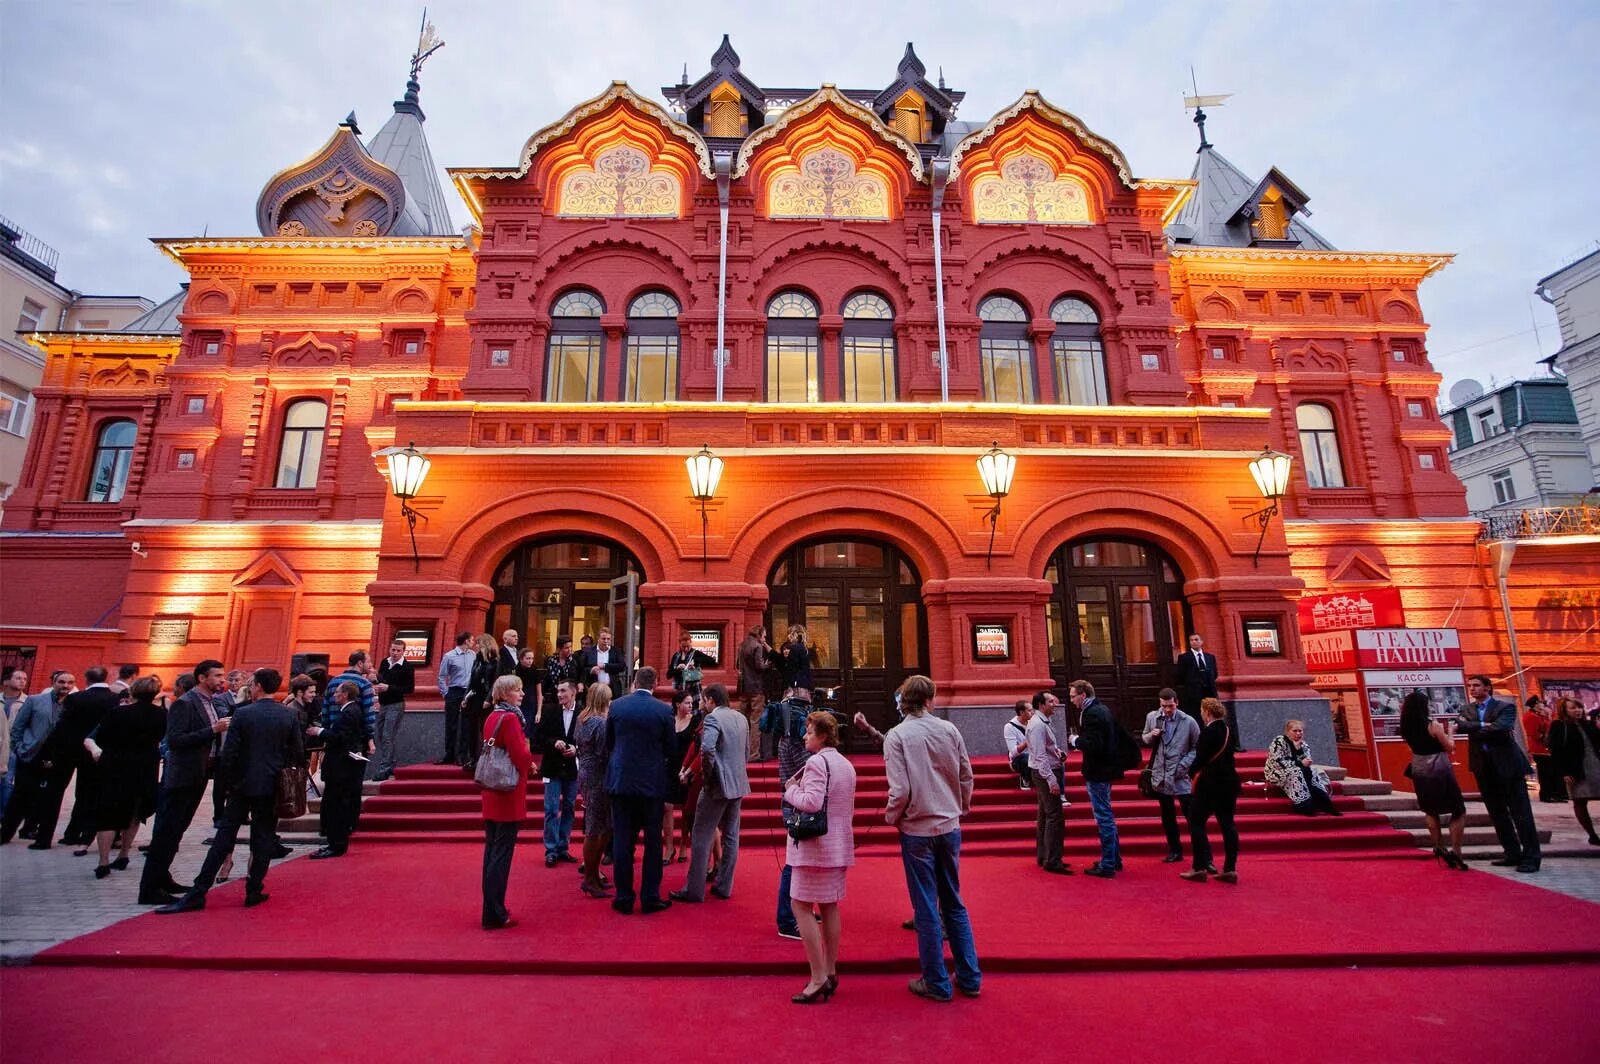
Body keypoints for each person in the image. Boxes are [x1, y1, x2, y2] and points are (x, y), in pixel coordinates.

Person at [158, 668, 302, 912]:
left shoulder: (242, 714)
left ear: (256, 686)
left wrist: (229, 785)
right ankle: (254, 889)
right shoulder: (288, 715)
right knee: (263, 838)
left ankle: (199, 891)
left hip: (242, 786)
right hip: (272, 786)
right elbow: (296, 753)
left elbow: (230, 754)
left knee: (224, 838)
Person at [884, 675, 980, 1003]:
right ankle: (969, 976)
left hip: (918, 830)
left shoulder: (897, 736)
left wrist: (892, 817)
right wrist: (959, 807)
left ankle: (936, 982)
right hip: (949, 825)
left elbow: (900, 791)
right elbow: (966, 774)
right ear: (930, 699)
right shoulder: (949, 729)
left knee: (926, 905)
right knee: (953, 901)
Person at [137, 661, 229, 904]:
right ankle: (149, 888)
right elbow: (176, 740)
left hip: (197, 774)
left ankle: (162, 877)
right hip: (181, 776)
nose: (222, 680)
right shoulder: (185, 703)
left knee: (177, 830)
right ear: (201, 678)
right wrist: (213, 729)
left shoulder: (209, 702)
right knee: (167, 832)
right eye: (217, 676)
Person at [784, 711, 857, 1004]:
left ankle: (817, 978)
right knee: (829, 906)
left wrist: (791, 791)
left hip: (814, 847)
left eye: (810, 732)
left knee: (800, 905)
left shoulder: (816, 763)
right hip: (838, 845)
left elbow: (812, 803)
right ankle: (830, 969)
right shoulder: (846, 764)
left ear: (824, 735)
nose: (805, 736)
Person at [604, 666, 675, 915]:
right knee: (653, 843)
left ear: (634, 682)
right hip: (652, 785)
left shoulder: (617, 706)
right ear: (655, 684)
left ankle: (623, 898)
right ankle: (650, 897)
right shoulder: (664, 710)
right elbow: (671, 749)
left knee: (623, 841)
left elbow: (609, 742)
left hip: (621, 782)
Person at [672, 683, 749, 903]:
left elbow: (707, 749)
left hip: (716, 786)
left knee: (701, 834)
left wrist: (707, 776)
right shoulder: (741, 718)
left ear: (712, 700)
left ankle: (694, 889)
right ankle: (724, 886)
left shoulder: (713, 719)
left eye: (704, 700)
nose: (702, 703)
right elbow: (745, 754)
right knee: (731, 837)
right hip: (737, 785)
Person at [84, 674, 166, 878]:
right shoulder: (161, 714)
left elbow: (101, 738)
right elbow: (162, 737)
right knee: (135, 812)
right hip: (145, 765)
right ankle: (124, 854)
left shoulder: (117, 713)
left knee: (109, 814)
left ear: (133, 691)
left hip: (116, 764)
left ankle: (103, 862)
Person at [1460, 674, 1540, 873]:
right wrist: (1484, 726)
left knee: (1520, 813)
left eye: (1477, 685)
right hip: (1483, 767)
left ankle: (1531, 857)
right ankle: (1511, 853)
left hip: (1508, 765)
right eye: (1470, 686)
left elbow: (1502, 727)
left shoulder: (1504, 707)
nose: (1472, 689)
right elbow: (1462, 726)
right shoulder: (1466, 709)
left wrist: (1478, 727)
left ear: (1487, 687)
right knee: (1497, 813)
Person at [479, 674, 534, 930]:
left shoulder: (492, 716)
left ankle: (490, 909)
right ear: (505, 693)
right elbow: (519, 754)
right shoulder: (511, 718)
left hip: (492, 793)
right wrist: (529, 758)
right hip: (508, 794)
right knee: (501, 855)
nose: (522, 694)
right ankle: (495, 912)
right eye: (518, 690)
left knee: (491, 853)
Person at [43, 665, 118, 848]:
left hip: (68, 751)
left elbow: (61, 727)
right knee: (87, 794)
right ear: (106, 678)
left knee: (55, 792)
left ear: (86, 679)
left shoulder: (76, 698)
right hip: (95, 752)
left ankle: (44, 838)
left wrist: (48, 751)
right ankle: (77, 833)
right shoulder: (114, 699)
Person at [1399, 691, 1468, 869]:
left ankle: (1438, 846)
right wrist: (1451, 731)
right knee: (1458, 809)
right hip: (1439, 769)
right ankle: (1457, 852)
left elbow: (1411, 748)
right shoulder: (1433, 725)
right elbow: (1449, 747)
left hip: (1420, 769)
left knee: (1430, 810)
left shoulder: (1405, 727)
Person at [1067, 678, 1128, 877]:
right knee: (1106, 814)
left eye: (1073, 696)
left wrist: (1076, 741)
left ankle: (1108, 863)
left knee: (1103, 816)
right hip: (1106, 769)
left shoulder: (1092, 713)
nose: (1071, 700)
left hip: (1098, 771)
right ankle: (1114, 858)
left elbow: (1094, 744)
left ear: (1083, 695)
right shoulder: (1102, 709)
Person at [2, 671, 71, 846]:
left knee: (51, 800)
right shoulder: (35, 700)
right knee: (20, 796)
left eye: (70, 683)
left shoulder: (74, 705)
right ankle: (5, 834)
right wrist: (19, 749)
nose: (65, 686)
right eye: (61, 682)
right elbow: (18, 727)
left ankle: (44, 839)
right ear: (54, 683)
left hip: (58, 758)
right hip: (31, 754)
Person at [770, 686, 817, 937]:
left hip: (796, 801)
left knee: (806, 860)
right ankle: (787, 918)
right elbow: (807, 767)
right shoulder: (794, 738)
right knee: (794, 863)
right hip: (797, 804)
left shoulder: (788, 735)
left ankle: (804, 908)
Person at [1182, 697, 1240, 882]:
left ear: (1207, 713)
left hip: (1209, 784)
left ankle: (1199, 867)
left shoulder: (1207, 733)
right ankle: (1230, 868)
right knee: (1228, 825)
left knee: (1196, 822)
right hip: (1229, 783)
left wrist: (1191, 772)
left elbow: (1200, 759)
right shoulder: (1229, 730)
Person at [309, 681, 367, 859]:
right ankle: (335, 843)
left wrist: (319, 732)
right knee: (337, 806)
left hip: (341, 768)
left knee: (336, 807)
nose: (334, 695)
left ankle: (336, 845)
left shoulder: (349, 713)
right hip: (344, 766)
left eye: (337, 693)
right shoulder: (354, 710)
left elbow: (340, 738)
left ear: (345, 694)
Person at [1142, 687, 1201, 863]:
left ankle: (1200, 852)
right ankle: (1175, 850)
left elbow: (1197, 747)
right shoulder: (1152, 717)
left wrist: (1184, 765)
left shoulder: (1188, 721)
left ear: (1177, 703)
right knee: (1167, 816)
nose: (1167, 710)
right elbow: (1144, 738)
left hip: (1180, 775)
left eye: (1170, 706)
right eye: (1164, 706)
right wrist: (1151, 735)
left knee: (1191, 814)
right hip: (1160, 774)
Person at [575, 682, 615, 898]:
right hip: (598, 775)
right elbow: (604, 752)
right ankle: (590, 877)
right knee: (597, 826)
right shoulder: (600, 723)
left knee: (598, 824)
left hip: (586, 772)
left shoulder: (582, 718)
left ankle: (593, 874)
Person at [537, 679, 582, 868]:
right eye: (558, 691)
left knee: (570, 808)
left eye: (563, 691)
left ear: (573, 693)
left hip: (572, 768)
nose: (559, 694)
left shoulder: (582, 714)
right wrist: (554, 742)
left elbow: (587, 738)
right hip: (552, 766)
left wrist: (576, 748)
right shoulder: (549, 711)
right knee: (551, 809)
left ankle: (563, 847)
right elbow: (538, 737)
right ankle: (551, 850)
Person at [1027, 690, 1070, 874]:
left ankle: (1045, 856)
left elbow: (1046, 748)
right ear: (1041, 705)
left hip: (1046, 770)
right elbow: (1039, 755)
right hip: (1046, 773)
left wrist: (1058, 752)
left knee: (1045, 815)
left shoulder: (1041, 722)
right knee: (1054, 816)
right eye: (1051, 701)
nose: (1054, 704)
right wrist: (1051, 779)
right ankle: (1053, 860)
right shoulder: (1038, 725)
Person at [1548, 696, 1600, 847]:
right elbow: (1556, 750)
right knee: (1580, 800)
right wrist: (1563, 772)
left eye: (1579, 707)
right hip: (1575, 769)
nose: (1577, 711)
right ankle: (1592, 835)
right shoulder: (1559, 725)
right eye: (1573, 708)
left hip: (1595, 764)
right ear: (1564, 710)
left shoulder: (1589, 724)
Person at [1264, 721, 1341, 816]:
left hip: (1299, 769)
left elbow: (1307, 761)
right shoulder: (1279, 742)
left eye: (1300, 731)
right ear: (1287, 732)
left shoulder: (1303, 745)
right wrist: (1299, 763)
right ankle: (1304, 805)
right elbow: (1277, 762)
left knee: (1313, 771)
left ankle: (1324, 803)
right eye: (1295, 731)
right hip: (1276, 771)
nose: (1298, 733)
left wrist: (1298, 750)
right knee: (1297, 772)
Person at [662, 690, 702, 864]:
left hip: (687, 769)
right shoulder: (669, 721)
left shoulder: (695, 721)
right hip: (669, 768)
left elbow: (698, 747)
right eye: (686, 702)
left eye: (691, 702)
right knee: (667, 807)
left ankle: (684, 844)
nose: (690, 705)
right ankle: (669, 847)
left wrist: (690, 769)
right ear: (677, 704)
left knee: (686, 810)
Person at [371, 639, 415, 782]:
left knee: (387, 736)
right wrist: (376, 680)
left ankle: (385, 768)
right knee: (379, 735)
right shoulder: (385, 662)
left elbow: (409, 689)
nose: (395, 653)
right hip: (383, 704)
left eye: (398, 650)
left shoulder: (407, 667)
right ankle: (390, 763)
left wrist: (389, 688)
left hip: (396, 704)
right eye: (393, 650)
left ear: (403, 651)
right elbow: (382, 680)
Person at [461, 635, 504, 774]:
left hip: (486, 699)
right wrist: (465, 697)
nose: (476, 646)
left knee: (484, 729)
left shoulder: (495, 661)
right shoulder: (477, 660)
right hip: (474, 698)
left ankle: (485, 758)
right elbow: (472, 680)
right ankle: (472, 757)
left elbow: (495, 682)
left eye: (478, 644)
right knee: (472, 728)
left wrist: (489, 699)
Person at [437, 631, 477, 766]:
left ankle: (463, 755)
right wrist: (446, 693)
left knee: (466, 725)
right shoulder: (449, 656)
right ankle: (449, 754)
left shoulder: (473, 655)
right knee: (452, 724)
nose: (474, 643)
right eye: (472, 640)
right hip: (454, 691)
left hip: (469, 692)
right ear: (466, 641)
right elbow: (442, 676)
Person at [736, 625, 772, 762]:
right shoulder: (757, 646)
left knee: (742, 721)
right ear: (759, 634)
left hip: (743, 688)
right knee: (755, 721)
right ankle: (753, 754)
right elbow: (759, 666)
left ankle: (740, 752)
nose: (764, 638)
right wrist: (768, 664)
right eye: (764, 636)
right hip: (756, 688)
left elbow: (736, 665)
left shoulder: (742, 645)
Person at [1523, 695, 1565, 803]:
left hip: (1546, 748)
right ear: (1536, 704)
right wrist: (1548, 739)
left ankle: (1553, 793)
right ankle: (1546, 795)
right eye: (1541, 703)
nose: (1543, 705)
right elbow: (1534, 734)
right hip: (1540, 749)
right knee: (1545, 773)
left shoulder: (1540, 715)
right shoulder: (1530, 716)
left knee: (1551, 772)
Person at [1174, 632, 1218, 719]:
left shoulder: (1210, 657)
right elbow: (1180, 675)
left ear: (1201, 642)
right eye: (1191, 640)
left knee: (1211, 714)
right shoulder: (1184, 657)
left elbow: (1215, 673)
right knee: (1196, 715)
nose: (1194, 642)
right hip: (1193, 693)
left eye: (1196, 640)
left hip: (1209, 692)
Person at [1, 669, 27, 818]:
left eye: (24, 678)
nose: (22, 681)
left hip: (12, 748)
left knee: (7, 782)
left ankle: (3, 816)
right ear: (6, 681)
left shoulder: (27, 702)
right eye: (18, 678)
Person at [576, 627, 626, 696]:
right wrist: (591, 670)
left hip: (612, 689)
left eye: (608, 639)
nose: (606, 641)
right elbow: (581, 669)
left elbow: (622, 666)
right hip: (594, 689)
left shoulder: (616, 651)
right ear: (598, 639)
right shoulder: (589, 652)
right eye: (603, 639)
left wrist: (605, 666)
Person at [540, 635, 580, 721]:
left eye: (570, 647)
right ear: (559, 648)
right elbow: (548, 678)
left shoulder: (574, 659)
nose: (569, 650)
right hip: (555, 695)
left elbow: (578, 676)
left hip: (570, 695)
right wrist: (542, 693)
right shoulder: (551, 660)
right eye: (566, 648)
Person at [667, 633, 716, 702]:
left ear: (691, 642)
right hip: (679, 691)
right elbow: (668, 675)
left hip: (694, 690)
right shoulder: (676, 656)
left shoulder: (696, 654)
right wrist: (677, 668)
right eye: (683, 646)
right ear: (679, 644)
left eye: (688, 646)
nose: (686, 649)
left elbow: (712, 661)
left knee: (694, 710)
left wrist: (695, 661)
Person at [776, 625, 814, 695]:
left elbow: (791, 669)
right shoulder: (804, 648)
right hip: (804, 684)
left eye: (789, 634)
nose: (788, 636)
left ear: (793, 634)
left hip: (796, 686)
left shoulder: (794, 648)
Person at [1003, 699, 1032, 790]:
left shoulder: (1034, 723)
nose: (1033, 713)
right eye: (1030, 711)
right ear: (1022, 712)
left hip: (1035, 754)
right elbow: (1014, 752)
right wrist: (1027, 742)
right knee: (1026, 758)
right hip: (1019, 759)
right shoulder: (1009, 727)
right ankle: (1025, 777)